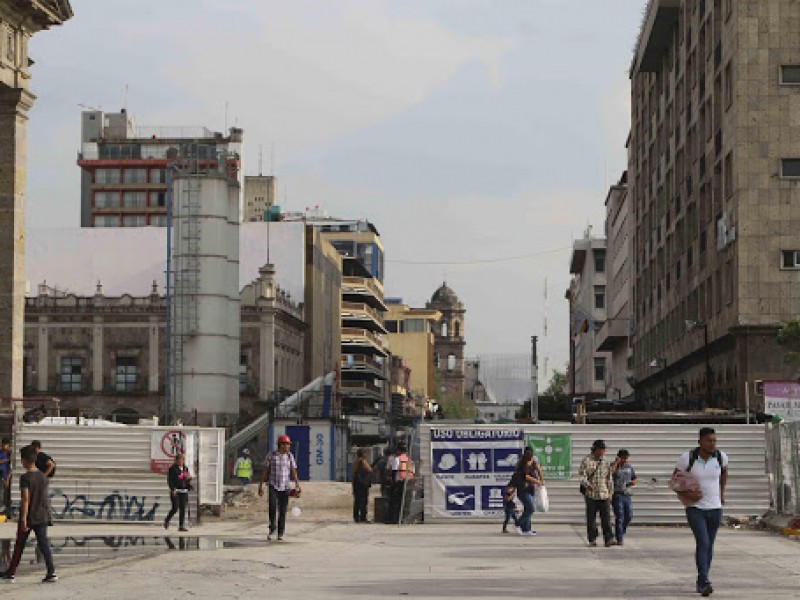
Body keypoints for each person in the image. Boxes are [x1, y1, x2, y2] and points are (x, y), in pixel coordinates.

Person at [674, 427, 728, 597]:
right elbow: (674, 481)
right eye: (708, 441)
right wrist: (687, 494)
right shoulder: (687, 458)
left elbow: (724, 473)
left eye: (714, 441)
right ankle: (704, 580)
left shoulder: (720, 457)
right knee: (703, 542)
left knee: (709, 544)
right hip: (695, 508)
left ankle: (702, 579)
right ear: (700, 442)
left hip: (715, 508)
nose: (712, 444)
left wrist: (721, 493)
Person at [0, 444, 57, 583]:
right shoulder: (43, 477)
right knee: (43, 544)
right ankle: (51, 572)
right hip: (42, 515)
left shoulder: (25, 477)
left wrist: (23, 519)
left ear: (25, 460)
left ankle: (11, 573)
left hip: (29, 516)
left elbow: (26, 500)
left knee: (20, 545)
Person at [258, 435, 301, 541]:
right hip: (273, 485)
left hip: (285, 486)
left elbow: (293, 471)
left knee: (282, 510)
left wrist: (297, 484)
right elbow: (265, 470)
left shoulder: (290, 456)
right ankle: (272, 529)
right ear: (281, 445)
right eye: (287, 445)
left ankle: (280, 533)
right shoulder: (271, 456)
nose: (288, 447)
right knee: (272, 507)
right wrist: (261, 485)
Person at [579, 439, 614, 547]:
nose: (603, 451)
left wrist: (610, 492)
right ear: (595, 449)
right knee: (591, 519)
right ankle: (592, 539)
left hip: (604, 494)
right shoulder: (586, 460)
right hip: (591, 495)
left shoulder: (606, 462)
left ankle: (608, 539)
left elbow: (609, 478)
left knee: (606, 519)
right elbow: (582, 476)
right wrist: (587, 484)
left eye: (604, 449)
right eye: (601, 449)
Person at [513, 447, 542, 537]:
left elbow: (539, 469)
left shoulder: (533, 461)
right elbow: (526, 477)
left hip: (531, 489)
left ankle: (527, 529)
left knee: (527, 509)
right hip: (523, 489)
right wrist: (537, 481)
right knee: (531, 508)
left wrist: (542, 479)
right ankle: (518, 524)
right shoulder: (522, 464)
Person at [611, 449, 637, 546]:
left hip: (627, 494)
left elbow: (634, 478)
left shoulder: (629, 467)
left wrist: (633, 482)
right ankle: (619, 538)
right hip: (617, 494)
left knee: (629, 515)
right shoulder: (613, 466)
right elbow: (609, 473)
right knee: (620, 517)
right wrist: (616, 463)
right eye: (623, 458)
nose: (624, 460)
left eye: (626, 458)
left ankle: (621, 531)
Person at [164, 453, 191, 532]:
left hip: (184, 490)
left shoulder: (185, 468)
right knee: (175, 507)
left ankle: (181, 525)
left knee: (182, 508)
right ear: (176, 460)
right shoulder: (172, 469)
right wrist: (172, 489)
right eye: (179, 460)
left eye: (182, 460)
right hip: (176, 491)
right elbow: (170, 480)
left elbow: (187, 479)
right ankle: (167, 520)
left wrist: (188, 480)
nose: (181, 462)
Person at [388, 442, 414, 525]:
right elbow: (413, 471)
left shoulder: (397, 459)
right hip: (409, 482)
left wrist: (392, 482)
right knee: (407, 501)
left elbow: (394, 471)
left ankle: (395, 519)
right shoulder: (409, 460)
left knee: (397, 502)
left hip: (400, 483)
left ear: (399, 450)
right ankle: (405, 519)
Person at [352, 449, 372, 523]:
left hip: (356, 483)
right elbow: (369, 470)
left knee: (357, 500)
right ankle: (363, 517)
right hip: (362, 484)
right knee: (363, 501)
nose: (366, 455)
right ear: (362, 454)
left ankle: (356, 517)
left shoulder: (355, 461)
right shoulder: (362, 461)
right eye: (365, 453)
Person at [0, 439, 11, 515]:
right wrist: (7, 460)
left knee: (4, 493)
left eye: (6, 445)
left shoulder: (9, 454)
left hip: (5, 475)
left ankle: (5, 509)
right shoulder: (1, 453)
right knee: (1, 492)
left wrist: (7, 479)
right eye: (4, 444)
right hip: (1, 475)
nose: (5, 446)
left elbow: (10, 468)